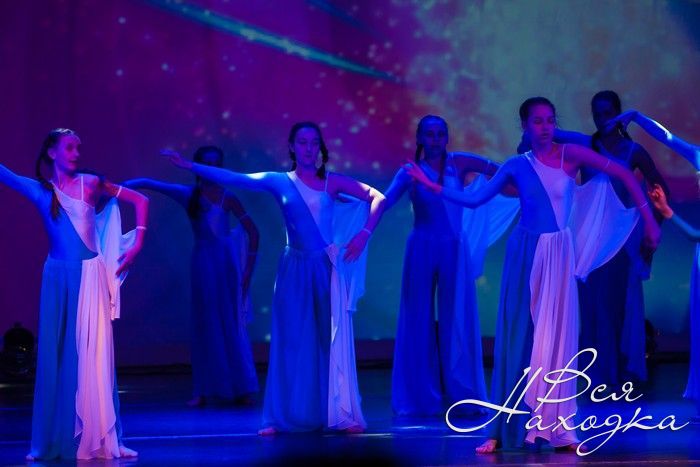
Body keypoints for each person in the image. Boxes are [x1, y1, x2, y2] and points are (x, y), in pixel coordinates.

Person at [405, 98, 660, 453]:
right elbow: (475, 199)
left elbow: (622, 173)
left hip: (559, 253)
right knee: (519, 337)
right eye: (537, 121)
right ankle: (499, 429)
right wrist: (432, 186)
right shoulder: (516, 165)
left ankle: (558, 428)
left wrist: (649, 220)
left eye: (550, 120)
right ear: (524, 126)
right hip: (526, 253)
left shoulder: (571, 154)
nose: (545, 127)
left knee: (558, 338)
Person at [164, 122, 386, 434]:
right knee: (290, 342)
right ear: (292, 147)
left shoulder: (331, 182)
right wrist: (190, 165)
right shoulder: (279, 182)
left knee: (330, 341)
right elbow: (236, 178)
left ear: (320, 147)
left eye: (314, 142)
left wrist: (364, 234)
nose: (308, 148)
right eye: (302, 142)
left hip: (324, 267)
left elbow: (377, 197)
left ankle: (341, 413)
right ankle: (280, 417)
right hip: (293, 269)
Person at [0, 128, 148, 460]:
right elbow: (4, 174)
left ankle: (108, 437)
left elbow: (141, 200)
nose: (76, 153)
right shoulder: (41, 190)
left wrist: (137, 242)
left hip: (89, 276)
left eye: (78, 148)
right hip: (56, 277)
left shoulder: (91, 183)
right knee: (56, 354)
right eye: (69, 147)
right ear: (51, 152)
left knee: (95, 357)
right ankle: (49, 440)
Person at [384, 115, 518, 416]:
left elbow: (502, 173)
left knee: (457, 319)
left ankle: (462, 393)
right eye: (429, 134)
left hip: (453, 249)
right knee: (416, 319)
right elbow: (386, 200)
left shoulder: (460, 162)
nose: (435, 139)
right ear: (420, 138)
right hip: (421, 247)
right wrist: (359, 209)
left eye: (440, 134)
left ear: (446, 137)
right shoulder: (410, 171)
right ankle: (419, 397)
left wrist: (522, 184)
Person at [124, 146, 259, 407]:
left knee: (229, 323)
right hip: (204, 264)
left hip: (225, 265)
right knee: (205, 324)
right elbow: (152, 184)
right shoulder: (189, 196)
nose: (211, 168)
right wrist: (123, 186)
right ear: (197, 167)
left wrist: (247, 272)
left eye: (215, 163)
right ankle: (204, 389)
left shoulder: (228, 197)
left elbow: (254, 233)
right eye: (206, 163)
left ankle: (240, 387)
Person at [556, 91, 669, 386]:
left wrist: (653, 227)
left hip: (622, 239)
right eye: (597, 113)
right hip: (589, 240)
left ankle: (619, 372)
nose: (602, 119)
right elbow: (551, 135)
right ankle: (596, 373)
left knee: (619, 304)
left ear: (618, 113)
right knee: (592, 305)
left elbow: (660, 188)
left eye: (608, 113)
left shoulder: (633, 151)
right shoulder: (586, 145)